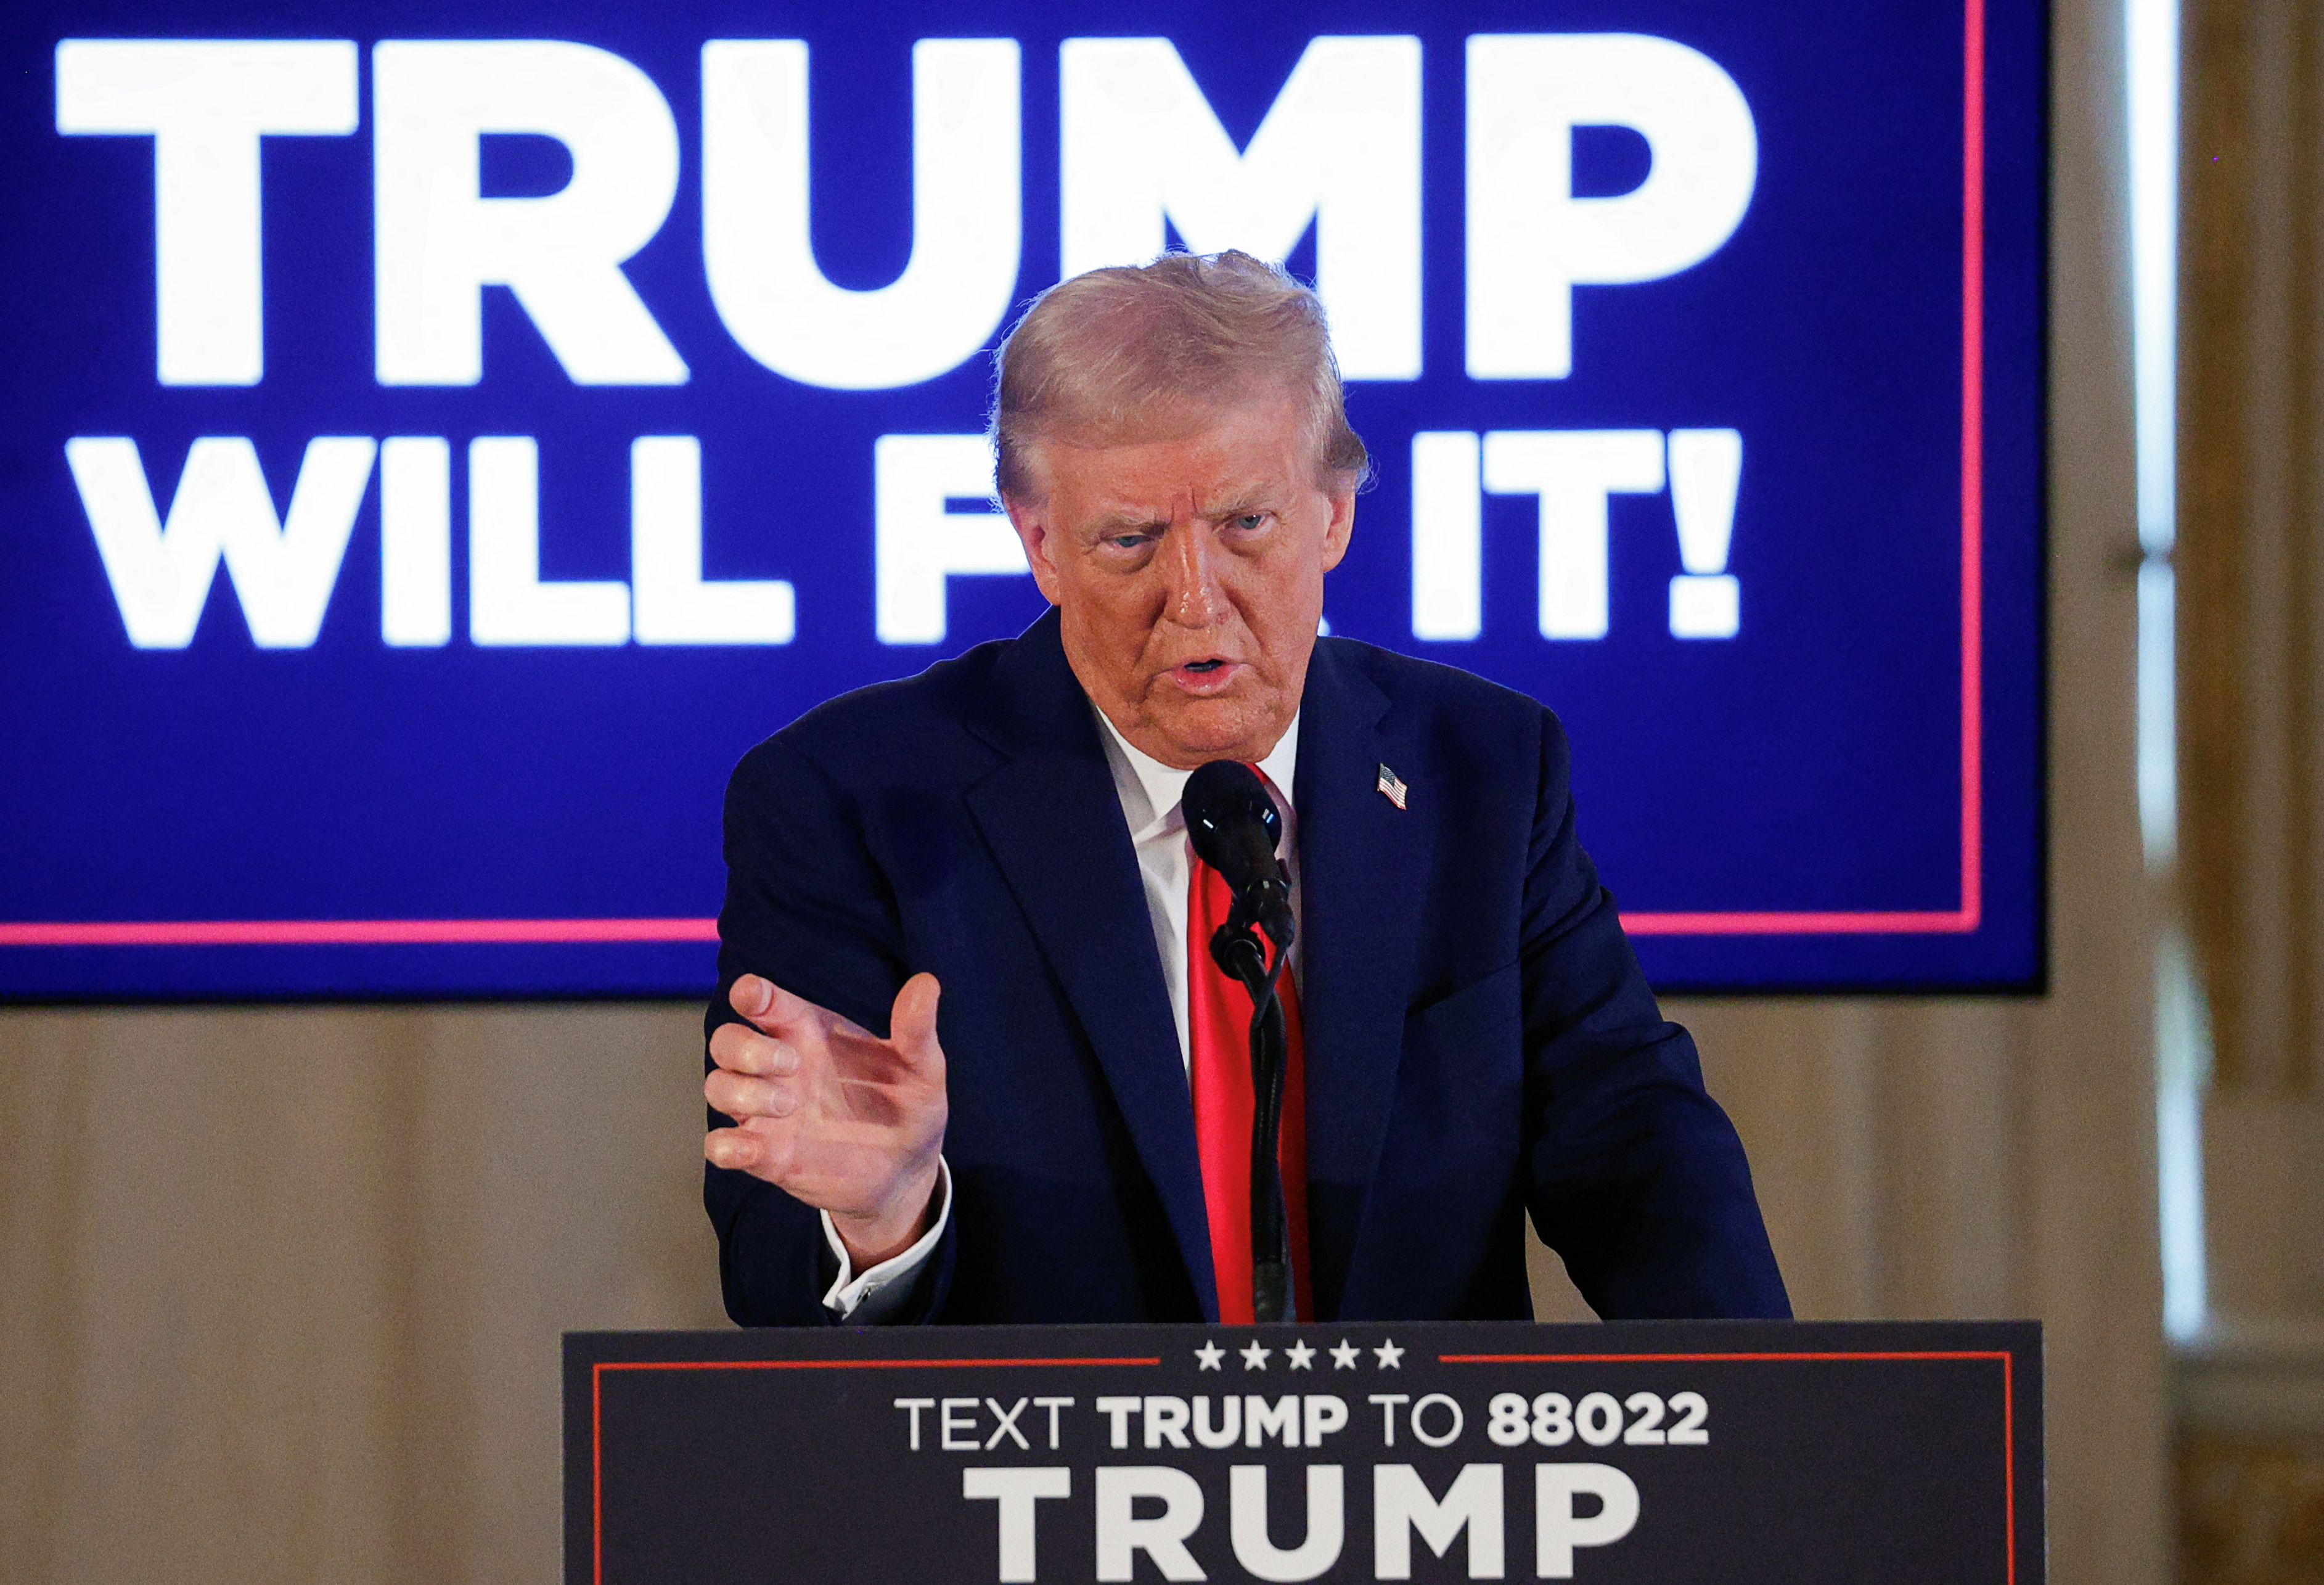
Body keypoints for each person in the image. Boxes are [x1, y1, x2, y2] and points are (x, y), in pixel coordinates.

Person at [703, 251, 1788, 1327]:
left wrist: (1767, 1398)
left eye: (1245, 525)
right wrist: (882, 1219)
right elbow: (771, 1279)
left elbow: (1634, 1146)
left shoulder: (1484, 771)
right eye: (1130, 540)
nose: (1194, 598)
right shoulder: (851, 804)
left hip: (1415, 1442)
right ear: (1040, 544)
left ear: (1333, 514)